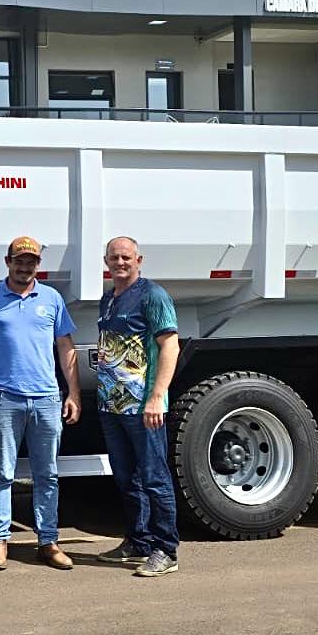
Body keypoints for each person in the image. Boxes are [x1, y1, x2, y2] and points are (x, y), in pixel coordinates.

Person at [0, 236, 82, 571]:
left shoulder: (51, 299)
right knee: (1, 473)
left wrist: (73, 392)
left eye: (30, 262)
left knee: (47, 474)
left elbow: (65, 346)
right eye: (19, 261)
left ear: (38, 265)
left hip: (47, 398)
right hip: (4, 397)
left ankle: (48, 542)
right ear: (7, 262)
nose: (24, 267)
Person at [94, 235, 181, 577]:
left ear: (139, 260)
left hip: (143, 407)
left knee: (155, 478)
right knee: (126, 478)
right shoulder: (109, 298)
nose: (120, 262)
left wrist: (157, 397)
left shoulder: (153, 296)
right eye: (114, 257)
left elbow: (170, 346)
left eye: (126, 257)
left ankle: (166, 549)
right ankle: (138, 541)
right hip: (112, 406)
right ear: (106, 262)